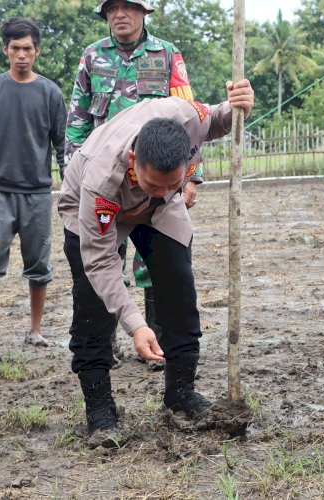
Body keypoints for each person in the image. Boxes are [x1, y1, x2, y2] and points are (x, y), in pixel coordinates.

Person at [57, 80, 254, 446]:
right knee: (93, 306)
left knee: (179, 287)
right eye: (154, 183)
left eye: (173, 183)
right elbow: (101, 264)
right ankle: (100, 410)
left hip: (153, 215)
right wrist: (134, 325)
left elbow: (216, 119)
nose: (165, 191)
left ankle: (181, 393)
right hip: (96, 213)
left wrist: (237, 105)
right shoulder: (101, 179)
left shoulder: (184, 117)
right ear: (135, 162)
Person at [66, 0, 201, 340]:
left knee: (156, 262)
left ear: (144, 13)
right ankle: (107, 339)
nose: (119, 14)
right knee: (103, 255)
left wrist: (191, 177)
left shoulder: (167, 54)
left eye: (128, 7)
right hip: (105, 178)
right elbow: (78, 119)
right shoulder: (91, 56)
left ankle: (156, 336)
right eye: (112, 9)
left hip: (154, 178)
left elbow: (191, 118)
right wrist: (75, 175)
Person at [0, 18, 67, 347]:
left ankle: (35, 329)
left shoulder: (49, 92)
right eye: (14, 48)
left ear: (37, 51)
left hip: (38, 193)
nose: (21, 54)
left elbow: (62, 143)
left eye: (27, 48)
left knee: (39, 263)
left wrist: (67, 187)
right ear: (5, 50)